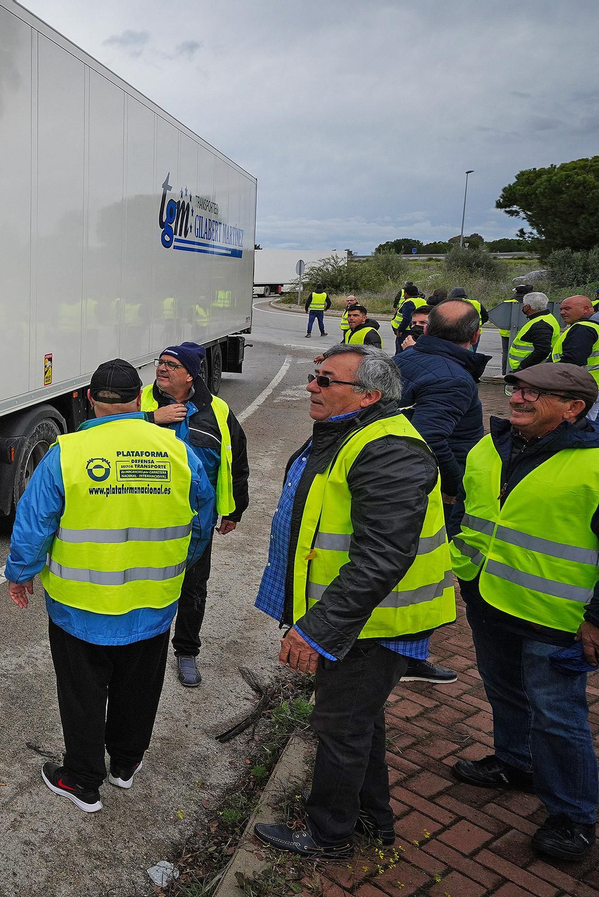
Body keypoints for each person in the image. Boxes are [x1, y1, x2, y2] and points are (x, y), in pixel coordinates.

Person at [251, 345, 457, 858]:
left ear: (369, 394)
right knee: (360, 722)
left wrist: (319, 627)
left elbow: (382, 556)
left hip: (371, 624)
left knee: (339, 728)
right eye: (313, 376)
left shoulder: (388, 449)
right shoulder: (352, 432)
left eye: (326, 380)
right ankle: (371, 817)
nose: (312, 387)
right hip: (360, 619)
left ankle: (330, 835)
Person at [5, 359, 215, 813]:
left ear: (87, 401)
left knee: (82, 692)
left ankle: (82, 780)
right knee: (138, 688)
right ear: (139, 400)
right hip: (152, 603)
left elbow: (34, 523)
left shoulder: (68, 451)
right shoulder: (178, 451)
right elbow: (202, 519)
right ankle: (124, 765)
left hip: (80, 607)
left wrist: (20, 574)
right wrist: (178, 564)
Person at [450, 363, 599, 862]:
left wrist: (597, 618)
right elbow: (471, 516)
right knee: (504, 691)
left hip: (556, 616)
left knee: (559, 716)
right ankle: (516, 763)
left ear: (573, 408)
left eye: (536, 393)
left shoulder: (594, 462)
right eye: (517, 387)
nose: (517, 398)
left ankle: (575, 814)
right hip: (488, 596)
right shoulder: (490, 446)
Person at [141, 342, 250, 686]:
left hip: (196, 520)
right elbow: (105, 428)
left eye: (172, 365)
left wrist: (235, 509)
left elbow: (235, 460)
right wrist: (149, 419)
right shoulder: (142, 401)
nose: (162, 368)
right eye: (161, 362)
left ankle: (186, 651)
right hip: (146, 516)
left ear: (190, 374)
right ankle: (142, 647)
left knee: (192, 589)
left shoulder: (217, 411)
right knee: (145, 583)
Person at [393, 299, 489, 684]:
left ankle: (400, 651)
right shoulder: (452, 377)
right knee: (427, 572)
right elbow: (431, 438)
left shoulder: (405, 360)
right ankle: (408, 657)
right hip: (428, 489)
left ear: (426, 329)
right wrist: (452, 487)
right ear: (476, 336)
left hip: (399, 478)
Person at [553, 295, 599, 420]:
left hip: (581, 387)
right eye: (561, 309)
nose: (562, 312)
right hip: (590, 386)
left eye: (567, 309)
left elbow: (573, 360)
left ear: (585, 309)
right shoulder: (592, 327)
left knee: (579, 426)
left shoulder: (584, 328)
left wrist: (549, 374)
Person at [508, 291, 559, 372]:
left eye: (523, 304)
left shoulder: (541, 324)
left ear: (527, 307)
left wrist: (522, 367)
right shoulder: (545, 318)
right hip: (534, 368)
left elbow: (542, 350)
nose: (522, 306)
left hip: (531, 370)